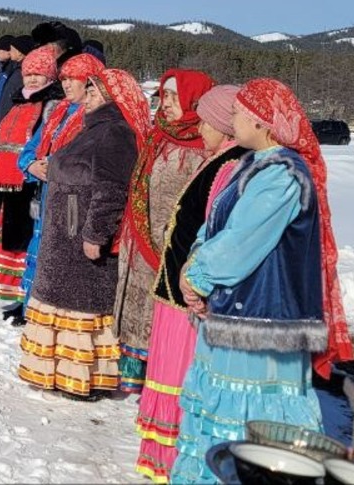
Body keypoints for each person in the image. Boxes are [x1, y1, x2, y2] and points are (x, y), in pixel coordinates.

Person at [170, 78, 354, 483]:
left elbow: (242, 241)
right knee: (223, 409)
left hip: (263, 322)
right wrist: (193, 265)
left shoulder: (283, 175)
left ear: (263, 121)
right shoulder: (252, 166)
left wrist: (198, 276)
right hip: (236, 313)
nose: (232, 119)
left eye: (238, 112)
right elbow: (215, 225)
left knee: (251, 419)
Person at [135, 84, 249, 482]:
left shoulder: (230, 166)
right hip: (177, 287)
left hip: (190, 295)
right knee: (167, 368)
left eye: (206, 120)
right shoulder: (217, 159)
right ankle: (162, 456)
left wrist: (196, 277)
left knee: (178, 372)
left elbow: (216, 232)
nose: (200, 127)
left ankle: (173, 459)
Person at [17, 67, 148, 400]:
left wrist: (95, 235)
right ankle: (60, 373)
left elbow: (112, 190)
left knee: (82, 305)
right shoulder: (94, 129)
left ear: (110, 97)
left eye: (92, 92)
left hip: (80, 240)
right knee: (64, 301)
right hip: (65, 237)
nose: (85, 97)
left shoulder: (114, 134)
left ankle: (84, 378)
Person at [116, 69, 215, 394]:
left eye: (175, 97)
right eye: (165, 96)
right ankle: (134, 379)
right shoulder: (158, 135)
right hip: (140, 244)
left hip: (169, 249)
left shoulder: (203, 149)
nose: (168, 103)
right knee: (134, 310)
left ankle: (159, 385)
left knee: (158, 317)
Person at [15, 52, 100, 323]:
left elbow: (84, 157)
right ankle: (33, 311)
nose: (65, 85)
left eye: (72, 79)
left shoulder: (95, 116)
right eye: (63, 78)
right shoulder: (58, 111)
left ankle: (57, 319)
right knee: (40, 252)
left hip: (74, 201)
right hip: (46, 195)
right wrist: (30, 166)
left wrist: (51, 165)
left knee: (64, 255)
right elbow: (29, 149)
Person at [0, 45, 63, 304]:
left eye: (38, 74)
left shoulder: (52, 104)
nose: (32, 78)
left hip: (31, 182)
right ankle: (13, 290)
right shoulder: (21, 100)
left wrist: (38, 164)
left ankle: (24, 294)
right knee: (11, 234)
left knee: (26, 235)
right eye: (29, 74)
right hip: (9, 178)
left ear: (50, 76)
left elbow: (51, 139)